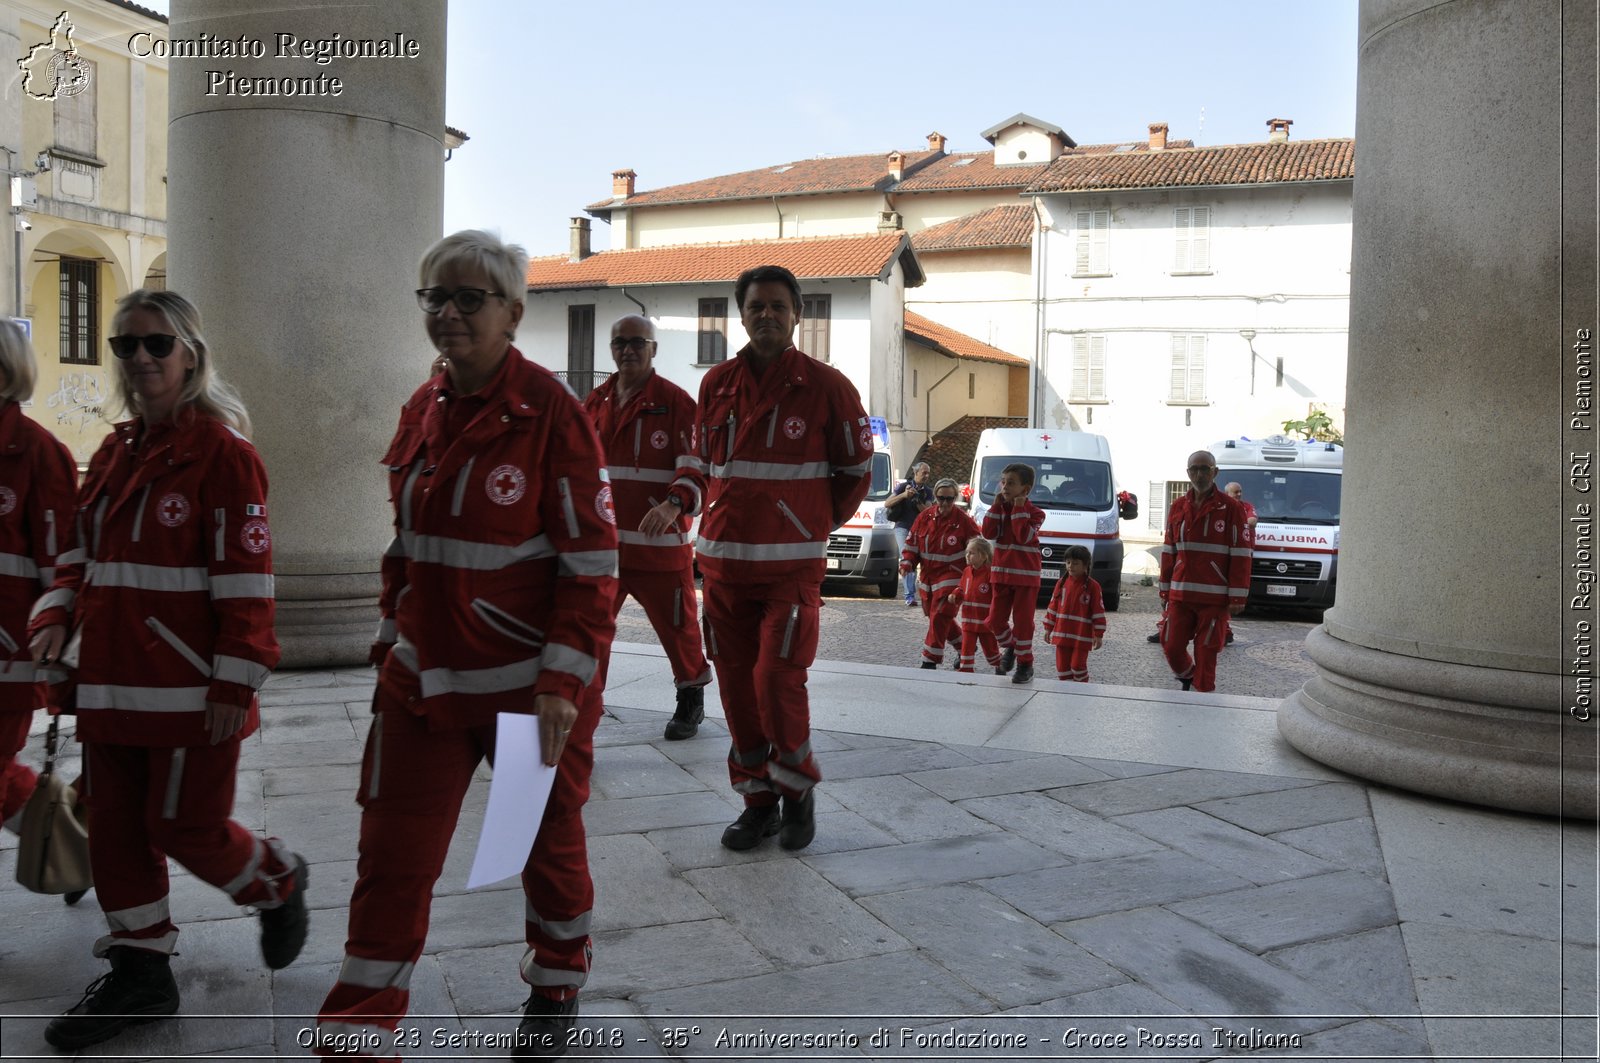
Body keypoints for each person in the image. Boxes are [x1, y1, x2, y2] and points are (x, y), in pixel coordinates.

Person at [314, 231, 618, 1060]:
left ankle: (557, 979)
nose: (447, 313)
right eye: (433, 298)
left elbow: (591, 566)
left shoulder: (554, 414)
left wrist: (562, 681)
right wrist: (388, 648)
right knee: (392, 858)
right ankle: (357, 1033)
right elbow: (406, 550)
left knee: (537, 843)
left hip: (527, 693)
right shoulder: (424, 405)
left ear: (513, 313)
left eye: (468, 299)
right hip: (424, 685)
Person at [27, 290, 305, 1051]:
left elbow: (248, 581)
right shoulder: (116, 453)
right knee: (116, 833)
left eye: (156, 344)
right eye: (126, 346)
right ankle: (141, 971)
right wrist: (52, 617)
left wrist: (234, 679)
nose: (141, 359)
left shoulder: (225, 455)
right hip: (111, 685)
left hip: (190, 693)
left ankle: (277, 879)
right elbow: (78, 554)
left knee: (186, 826)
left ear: (190, 353)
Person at [693, 264, 872, 853]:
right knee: (738, 695)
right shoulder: (715, 384)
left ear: (797, 314)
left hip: (790, 570)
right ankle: (757, 805)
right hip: (722, 568)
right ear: (740, 315)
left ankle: (797, 792)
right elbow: (705, 466)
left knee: (776, 681)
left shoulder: (828, 386)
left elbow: (853, 474)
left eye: (777, 306)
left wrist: (808, 526)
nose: (766, 315)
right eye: (755, 306)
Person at [584, 315, 710, 739]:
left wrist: (675, 505)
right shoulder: (594, 402)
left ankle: (691, 698)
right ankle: (586, 711)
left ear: (654, 349)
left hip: (659, 549)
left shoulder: (677, 403)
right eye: (620, 342)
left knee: (680, 631)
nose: (628, 350)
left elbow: (696, 468)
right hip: (603, 551)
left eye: (638, 342)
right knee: (590, 633)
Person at [0, 321, 78, 864]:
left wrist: (57, 653)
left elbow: (60, 563)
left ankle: (67, 844)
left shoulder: (37, 451)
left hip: (9, 651)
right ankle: (67, 844)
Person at [1158, 450, 1251, 692]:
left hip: (1214, 597)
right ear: (1188, 473)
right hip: (1181, 594)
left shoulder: (1231, 508)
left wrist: (1238, 595)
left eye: (1205, 469)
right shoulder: (1178, 506)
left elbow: (1241, 553)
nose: (1199, 474)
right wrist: (1164, 588)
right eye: (1194, 469)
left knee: (1207, 651)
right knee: (1170, 644)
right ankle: (1189, 675)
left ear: (1215, 472)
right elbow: (1169, 550)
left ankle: (1203, 701)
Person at [899, 478, 978, 669]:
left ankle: (930, 660)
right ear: (935, 497)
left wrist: (974, 572)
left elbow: (978, 548)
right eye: (941, 498)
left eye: (950, 499)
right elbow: (912, 544)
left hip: (953, 575)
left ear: (955, 499)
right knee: (936, 616)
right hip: (928, 576)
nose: (945, 503)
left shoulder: (964, 522)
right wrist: (907, 562)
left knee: (940, 614)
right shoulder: (924, 517)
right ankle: (965, 647)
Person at [982, 462, 1045, 684]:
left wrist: (1018, 508)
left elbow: (1023, 536)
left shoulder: (1036, 513)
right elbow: (988, 532)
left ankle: (1025, 664)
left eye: (1011, 483)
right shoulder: (1000, 507)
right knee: (994, 621)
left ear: (1025, 490)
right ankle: (1011, 647)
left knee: (1023, 623)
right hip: (1000, 576)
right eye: (1003, 482)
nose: (1005, 487)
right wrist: (995, 507)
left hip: (1026, 578)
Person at [1041, 545, 1106, 682]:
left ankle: (1081, 691)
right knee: (1062, 669)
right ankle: (1066, 697)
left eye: (1075, 563)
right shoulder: (1061, 583)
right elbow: (1053, 607)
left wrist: (1098, 634)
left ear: (1085, 565)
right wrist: (1048, 628)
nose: (1070, 566)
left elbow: (1098, 611)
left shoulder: (1093, 587)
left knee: (1077, 666)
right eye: (1068, 562)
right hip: (1061, 634)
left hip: (1081, 636)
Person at [949, 537, 1005, 674]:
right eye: (967, 552)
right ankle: (966, 669)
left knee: (991, 652)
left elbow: (998, 597)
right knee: (966, 648)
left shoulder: (991, 573)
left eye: (972, 553)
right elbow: (961, 588)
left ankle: (1000, 665)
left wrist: (996, 617)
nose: (967, 556)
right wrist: (955, 595)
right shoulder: (967, 571)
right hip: (968, 620)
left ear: (983, 556)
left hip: (985, 623)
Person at [888, 462, 932, 605]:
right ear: (916, 472)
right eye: (924, 472)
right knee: (906, 558)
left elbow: (928, 513)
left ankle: (911, 594)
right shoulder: (902, 486)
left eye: (928, 473)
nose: (926, 476)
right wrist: (904, 495)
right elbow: (887, 503)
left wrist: (916, 499)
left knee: (914, 560)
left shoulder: (927, 491)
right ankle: (909, 596)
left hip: (919, 530)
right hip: (902, 527)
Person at [1221, 481, 1259, 646]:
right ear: (1227, 494)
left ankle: (1225, 630)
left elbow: (1252, 521)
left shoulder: (1246, 506)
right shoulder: (1223, 507)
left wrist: (1235, 521)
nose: (1239, 495)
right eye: (1235, 492)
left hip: (1242, 553)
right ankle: (1225, 629)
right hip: (1226, 552)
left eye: (1240, 492)